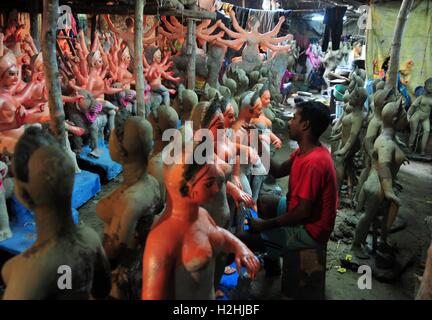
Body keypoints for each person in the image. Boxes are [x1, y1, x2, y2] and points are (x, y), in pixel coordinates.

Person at [246, 100, 337, 272]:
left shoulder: (315, 163)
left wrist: (263, 225)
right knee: (264, 202)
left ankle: (274, 247)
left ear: (305, 125)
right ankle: (273, 264)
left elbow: (301, 213)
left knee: (246, 238)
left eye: (294, 118)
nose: (289, 122)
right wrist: (258, 146)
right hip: (300, 213)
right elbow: (279, 171)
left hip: (311, 230)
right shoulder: (306, 149)